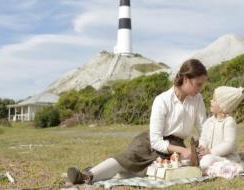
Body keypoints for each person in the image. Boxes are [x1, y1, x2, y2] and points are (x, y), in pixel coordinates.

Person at [67, 59, 208, 184]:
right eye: (198, 84)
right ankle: (85, 176)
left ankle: (101, 172)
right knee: (128, 159)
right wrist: (183, 150)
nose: (200, 88)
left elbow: (203, 128)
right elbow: (156, 141)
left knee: (154, 169)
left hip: (176, 146)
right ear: (186, 79)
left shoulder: (197, 99)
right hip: (151, 142)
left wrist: (202, 147)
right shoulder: (162, 100)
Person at [198, 86, 244, 170]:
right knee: (194, 159)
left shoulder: (229, 122)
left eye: (214, 100)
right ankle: (212, 165)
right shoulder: (209, 121)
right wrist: (202, 147)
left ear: (222, 105)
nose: (211, 101)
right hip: (209, 155)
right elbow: (203, 138)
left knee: (206, 162)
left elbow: (229, 145)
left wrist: (210, 152)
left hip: (227, 158)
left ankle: (224, 166)